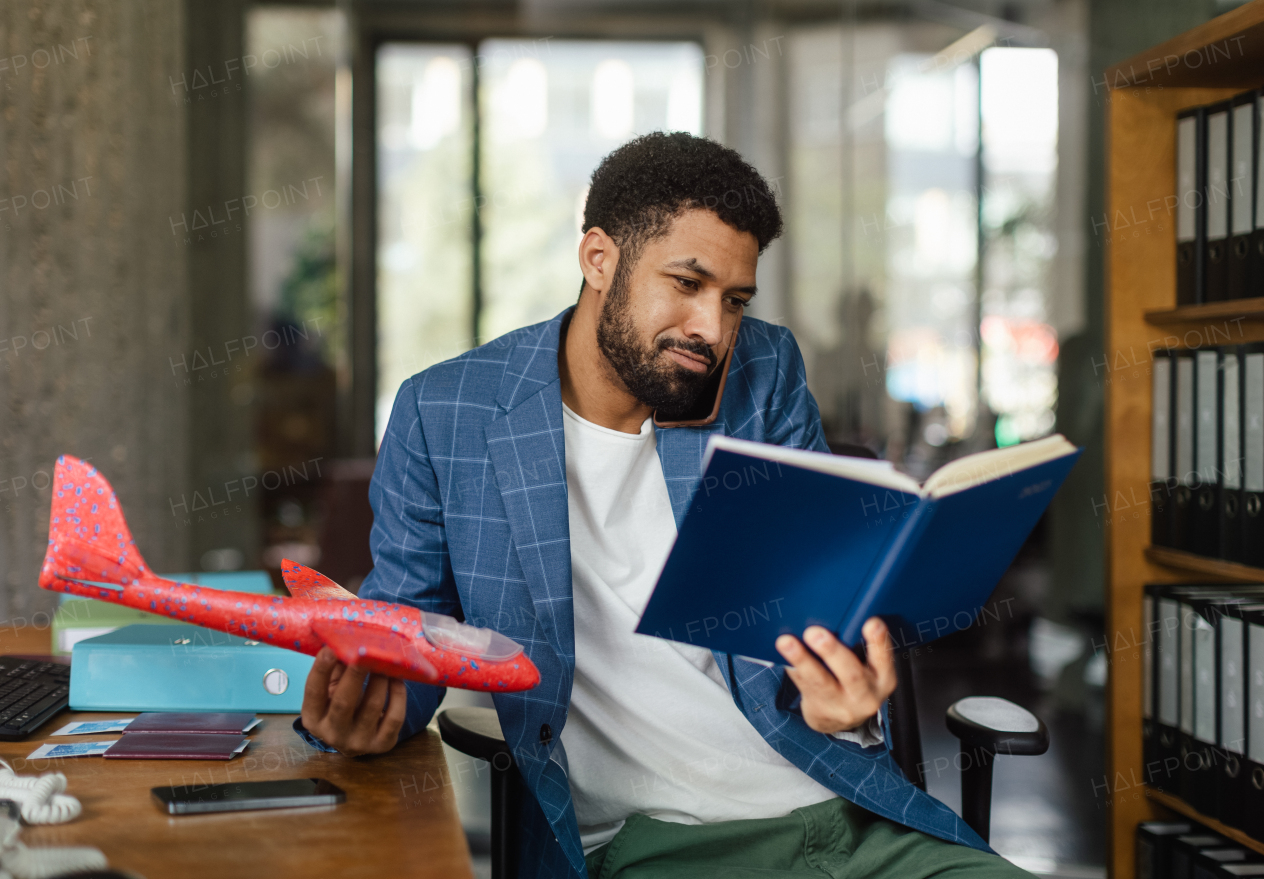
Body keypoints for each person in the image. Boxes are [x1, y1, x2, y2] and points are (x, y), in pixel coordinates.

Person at [295, 132, 1033, 879]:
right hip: (655, 844)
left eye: (735, 300)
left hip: (849, 815)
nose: (713, 329)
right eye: (687, 283)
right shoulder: (445, 413)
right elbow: (406, 634)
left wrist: (845, 697)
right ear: (597, 259)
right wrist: (362, 708)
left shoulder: (763, 372)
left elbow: (816, 608)